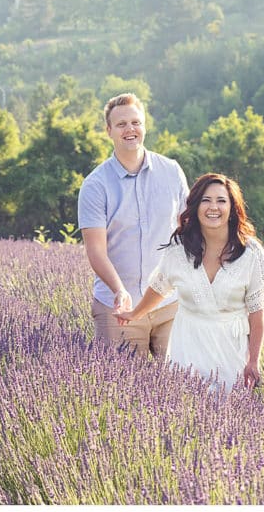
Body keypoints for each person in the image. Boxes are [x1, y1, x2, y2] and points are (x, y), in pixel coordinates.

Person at [115, 172, 264, 391]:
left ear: (232, 209)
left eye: (221, 201)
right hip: (188, 343)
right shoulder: (179, 250)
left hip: (230, 349)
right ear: (195, 207)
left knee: (231, 414)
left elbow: (257, 314)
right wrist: (134, 314)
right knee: (187, 410)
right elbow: (159, 287)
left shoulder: (251, 253)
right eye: (206, 200)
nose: (214, 207)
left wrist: (253, 361)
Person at [77, 93, 189, 358]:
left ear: (145, 126)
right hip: (119, 311)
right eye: (121, 124)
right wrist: (119, 290)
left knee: (184, 385)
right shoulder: (95, 185)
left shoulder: (171, 172)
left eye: (136, 122)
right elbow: (96, 251)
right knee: (123, 392)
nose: (130, 129)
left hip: (170, 305)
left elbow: (187, 232)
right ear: (109, 131)